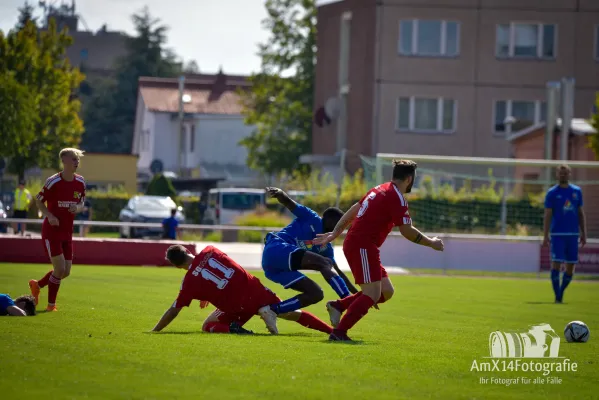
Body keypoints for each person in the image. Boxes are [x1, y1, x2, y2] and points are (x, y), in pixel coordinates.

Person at [314, 160, 444, 341]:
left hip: (363, 245)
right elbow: (407, 231)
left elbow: (354, 209)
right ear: (409, 178)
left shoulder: (379, 188)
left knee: (386, 291)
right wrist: (431, 243)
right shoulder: (396, 197)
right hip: (362, 245)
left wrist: (336, 232)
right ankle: (338, 333)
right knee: (372, 294)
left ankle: (338, 305)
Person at [151, 244, 333, 336]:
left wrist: (156, 330)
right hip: (257, 290)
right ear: (187, 250)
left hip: (238, 307)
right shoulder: (210, 250)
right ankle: (332, 331)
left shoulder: (189, 283)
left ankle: (234, 328)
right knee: (291, 313)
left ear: (176, 266)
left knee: (208, 325)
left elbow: (174, 310)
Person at [261, 187, 357, 319]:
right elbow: (290, 203)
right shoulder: (311, 217)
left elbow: (338, 272)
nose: (341, 227)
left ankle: (272, 310)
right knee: (324, 263)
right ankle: (345, 300)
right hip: (276, 248)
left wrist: (358, 296)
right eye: (340, 223)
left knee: (316, 294)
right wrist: (280, 194)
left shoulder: (327, 248)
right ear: (328, 219)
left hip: (276, 269)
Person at [28, 148, 87, 312]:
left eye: (78, 159)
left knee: (65, 272)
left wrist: (78, 207)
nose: (77, 162)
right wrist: (49, 215)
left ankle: (37, 285)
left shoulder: (81, 182)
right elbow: (39, 201)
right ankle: (51, 306)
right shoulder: (53, 181)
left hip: (67, 232)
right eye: (74, 159)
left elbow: (82, 203)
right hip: (52, 231)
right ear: (65, 161)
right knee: (59, 269)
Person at [542, 164, 586, 303]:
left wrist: (583, 232)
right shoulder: (552, 193)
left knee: (570, 267)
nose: (563, 175)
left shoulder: (576, 191)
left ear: (569, 174)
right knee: (556, 264)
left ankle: (561, 291)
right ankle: (558, 297)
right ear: (557, 175)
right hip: (558, 234)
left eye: (565, 173)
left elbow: (580, 213)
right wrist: (545, 235)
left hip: (573, 235)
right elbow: (548, 215)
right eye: (561, 173)